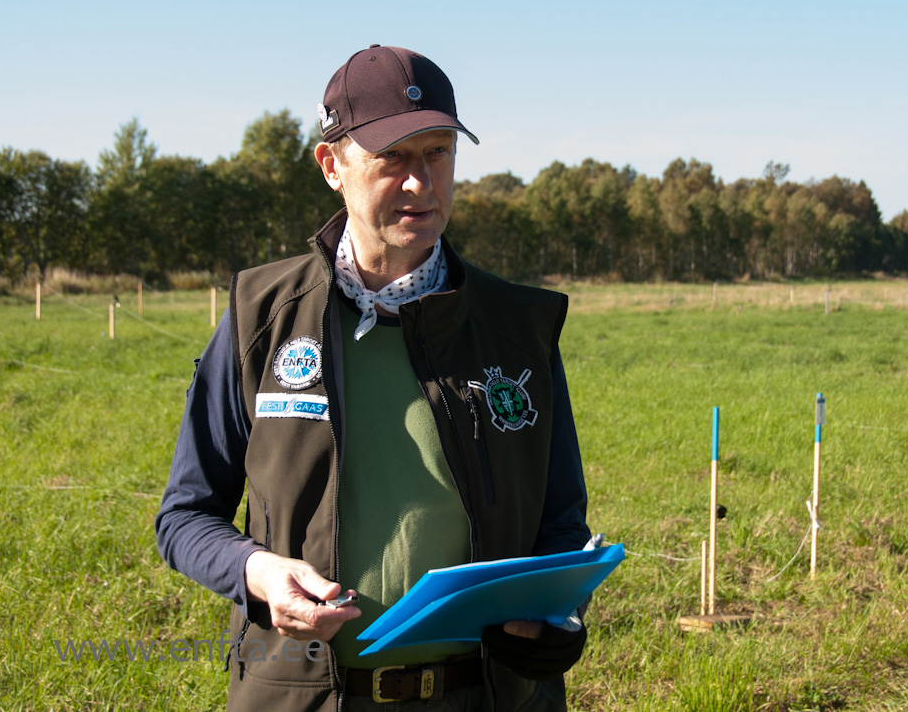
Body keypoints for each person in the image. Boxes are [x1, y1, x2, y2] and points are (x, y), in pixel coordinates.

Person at [156, 45, 592, 710]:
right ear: (332, 165)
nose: (421, 183)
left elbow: (561, 524)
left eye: (438, 153)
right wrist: (259, 572)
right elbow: (186, 516)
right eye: (393, 158)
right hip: (305, 695)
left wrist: (555, 622)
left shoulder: (518, 327)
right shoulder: (261, 318)